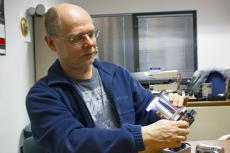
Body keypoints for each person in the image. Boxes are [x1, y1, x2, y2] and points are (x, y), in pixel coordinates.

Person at [26, 3, 189, 153]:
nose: (90, 43)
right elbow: (71, 142)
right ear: (51, 43)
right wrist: (141, 135)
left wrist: (171, 109)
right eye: (77, 38)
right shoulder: (42, 97)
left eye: (91, 34)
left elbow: (147, 111)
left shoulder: (117, 74)